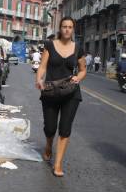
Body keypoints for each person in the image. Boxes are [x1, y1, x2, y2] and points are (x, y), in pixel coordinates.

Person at [35, 17, 87, 177]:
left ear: (73, 30)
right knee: (50, 127)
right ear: (60, 28)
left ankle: (57, 164)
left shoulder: (78, 48)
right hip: (51, 91)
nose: (67, 29)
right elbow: (42, 66)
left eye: (70, 27)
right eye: (64, 26)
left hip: (71, 93)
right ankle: (49, 145)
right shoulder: (50, 45)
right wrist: (39, 80)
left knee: (65, 129)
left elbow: (83, 69)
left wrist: (78, 77)